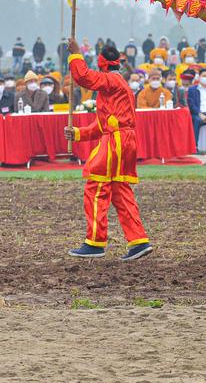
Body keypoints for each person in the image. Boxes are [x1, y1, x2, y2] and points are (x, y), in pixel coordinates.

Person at [63, 39, 153, 261]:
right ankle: (138, 241)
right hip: (120, 139)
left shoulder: (111, 80)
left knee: (96, 187)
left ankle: (95, 242)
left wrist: (75, 55)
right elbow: (102, 126)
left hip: (117, 142)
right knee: (120, 192)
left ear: (102, 63)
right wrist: (78, 134)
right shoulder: (114, 83)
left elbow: (83, 76)